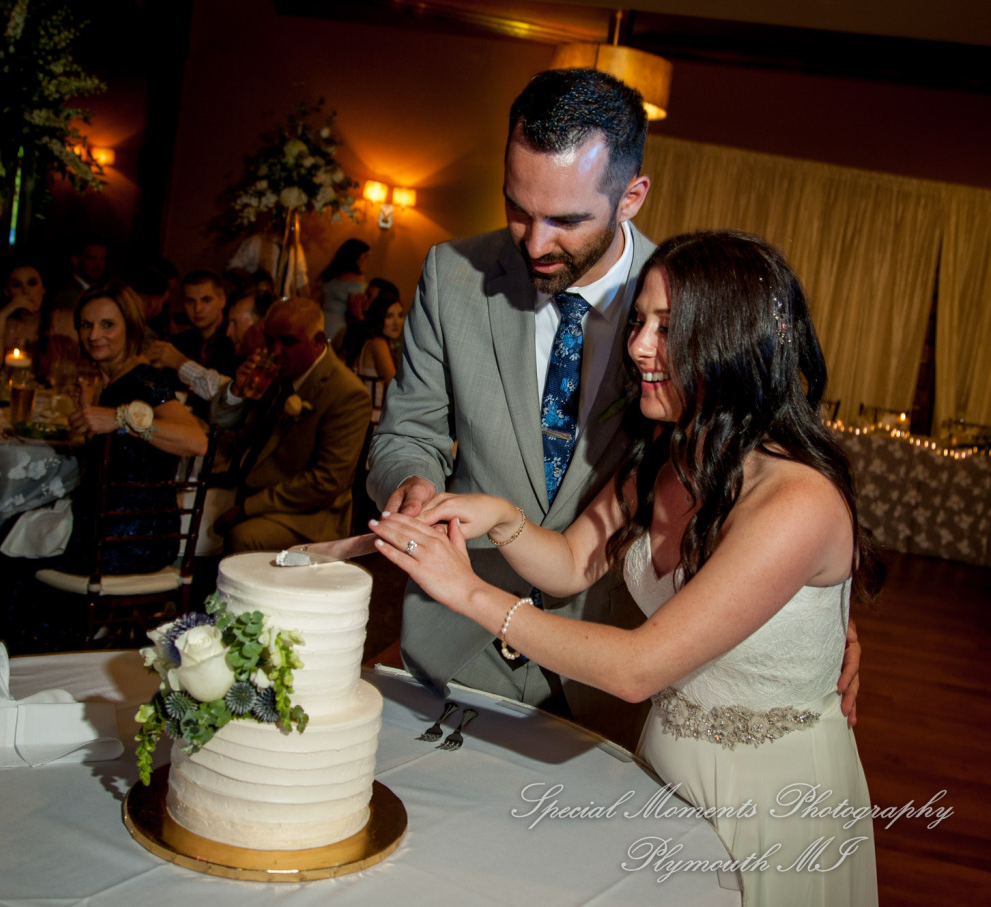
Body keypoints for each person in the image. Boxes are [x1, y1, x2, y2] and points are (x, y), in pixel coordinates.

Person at [370, 230, 880, 906]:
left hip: (770, 798)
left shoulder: (797, 501)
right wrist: (499, 517)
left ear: (731, 339)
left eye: (668, 328)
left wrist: (468, 591)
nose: (638, 346)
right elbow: (571, 562)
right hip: (662, 767)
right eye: (639, 321)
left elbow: (637, 668)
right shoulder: (670, 455)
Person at [367, 68, 861, 747]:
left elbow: (768, 479)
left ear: (631, 196)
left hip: (617, 664)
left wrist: (811, 613)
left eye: (567, 220)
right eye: (518, 208)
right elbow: (411, 433)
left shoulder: (691, 298)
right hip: (458, 647)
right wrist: (426, 493)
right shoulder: (453, 275)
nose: (535, 242)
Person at [65, 280, 208, 574]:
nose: (93, 335)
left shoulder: (143, 379)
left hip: (132, 538)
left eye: (107, 325)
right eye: (86, 325)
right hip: (108, 526)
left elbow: (196, 441)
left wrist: (120, 418)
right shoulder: (112, 380)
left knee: (14, 545)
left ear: (130, 328)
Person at [209, 299, 371, 552]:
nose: (275, 351)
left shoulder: (346, 393)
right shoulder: (279, 373)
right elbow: (244, 434)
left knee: (244, 537)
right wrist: (238, 392)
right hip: (254, 491)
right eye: (269, 340)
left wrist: (248, 507)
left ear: (318, 341)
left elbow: (326, 482)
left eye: (287, 342)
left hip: (309, 516)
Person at [342, 292, 405, 531]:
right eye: (389, 316)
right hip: (370, 426)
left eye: (400, 315)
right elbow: (395, 386)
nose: (396, 322)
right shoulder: (378, 344)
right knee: (366, 493)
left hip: (362, 424)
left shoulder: (371, 342)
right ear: (379, 318)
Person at [149, 289, 273, 402]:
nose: (228, 332)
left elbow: (225, 395)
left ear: (261, 325)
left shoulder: (272, 368)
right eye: (190, 301)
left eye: (235, 323)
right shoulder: (181, 340)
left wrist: (179, 362)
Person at [317, 239, 369, 340]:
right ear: (357, 258)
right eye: (365, 256)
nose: (367, 261)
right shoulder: (357, 278)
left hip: (322, 319)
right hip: (339, 323)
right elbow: (355, 308)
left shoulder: (330, 274)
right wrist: (363, 323)